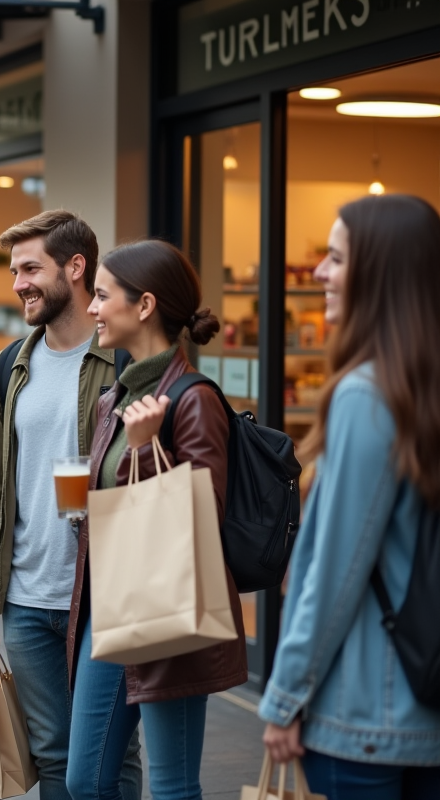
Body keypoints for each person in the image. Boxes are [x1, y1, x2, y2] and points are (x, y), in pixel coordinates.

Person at [260, 194, 440, 798]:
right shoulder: (422, 390)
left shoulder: (368, 395)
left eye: (336, 258)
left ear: (380, 273)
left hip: (364, 714)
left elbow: (335, 568)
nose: (318, 273)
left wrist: (284, 696)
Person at [0, 210, 142, 800]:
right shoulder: (9, 365)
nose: (18, 283)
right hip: (26, 598)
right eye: (15, 270)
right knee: (54, 756)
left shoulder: (123, 360)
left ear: (75, 268)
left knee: (110, 759)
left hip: (103, 595)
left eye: (30, 268)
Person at [68, 239, 247, 800]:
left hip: (173, 614)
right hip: (114, 604)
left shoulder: (193, 400)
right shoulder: (115, 398)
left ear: (144, 305)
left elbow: (201, 521)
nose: (92, 308)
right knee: (85, 779)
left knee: (172, 787)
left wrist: (145, 450)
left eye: (101, 296)